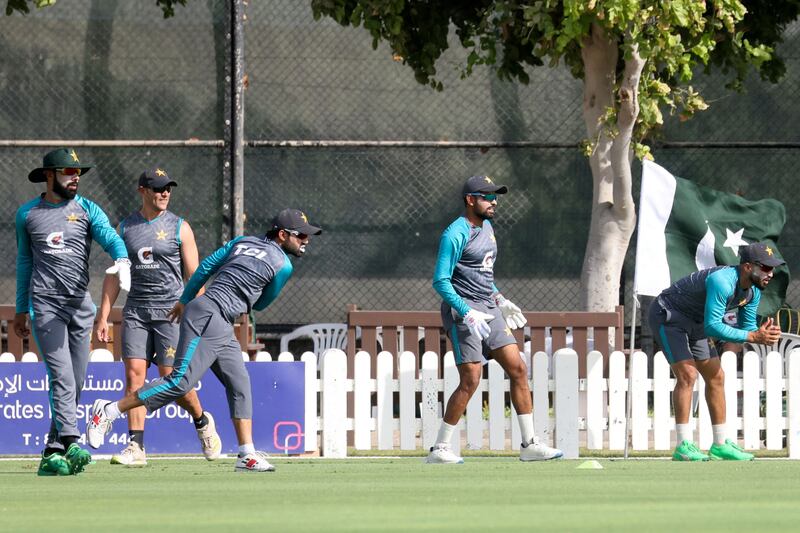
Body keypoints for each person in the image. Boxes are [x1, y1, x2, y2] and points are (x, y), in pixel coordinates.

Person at [87, 208, 322, 472]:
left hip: (214, 315)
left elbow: (206, 267)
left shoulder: (241, 241)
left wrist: (185, 300)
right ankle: (109, 410)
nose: (306, 240)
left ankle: (246, 454)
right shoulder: (284, 265)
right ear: (282, 235)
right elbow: (264, 303)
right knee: (179, 381)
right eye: (301, 235)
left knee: (239, 383)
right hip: (211, 316)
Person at [426, 175, 563, 463]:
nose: (494, 202)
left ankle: (529, 445)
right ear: (470, 200)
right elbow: (440, 281)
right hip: (462, 311)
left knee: (518, 369)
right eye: (487, 196)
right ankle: (439, 449)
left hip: (489, 307)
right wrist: (466, 312)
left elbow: (483, 274)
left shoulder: (487, 227)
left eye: (495, 196)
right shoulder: (455, 233)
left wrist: (499, 298)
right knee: (471, 379)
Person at [14, 148, 130, 476]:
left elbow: (109, 236)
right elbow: (25, 262)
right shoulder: (28, 214)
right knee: (62, 376)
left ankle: (51, 450)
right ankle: (71, 441)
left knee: (76, 380)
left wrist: (121, 259)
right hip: (46, 306)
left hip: (81, 307)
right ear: (49, 176)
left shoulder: (87, 209)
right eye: (68, 172)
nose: (75, 177)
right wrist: (22, 309)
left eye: (77, 172)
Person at [95, 168, 221, 466]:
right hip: (136, 312)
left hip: (172, 315)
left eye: (168, 189)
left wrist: (203, 313)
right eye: (157, 188)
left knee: (171, 381)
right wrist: (103, 316)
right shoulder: (125, 228)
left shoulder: (180, 227)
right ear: (142, 190)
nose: (164, 193)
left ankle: (202, 422)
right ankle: (136, 448)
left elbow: (196, 275)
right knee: (134, 376)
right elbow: (115, 275)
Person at [648, 242, 784, 461]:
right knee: (687, 375)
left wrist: (761, 334)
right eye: (766, 268)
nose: (771, 273)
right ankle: (683, 445)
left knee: (716, 377)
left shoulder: (753, 291)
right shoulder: (722, 281)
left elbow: (746, 327)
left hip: (697, 322)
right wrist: (751, 336)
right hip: (669, 315)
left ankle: (720, 445)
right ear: (748, 267)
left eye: (773, 268)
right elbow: (713, 327)